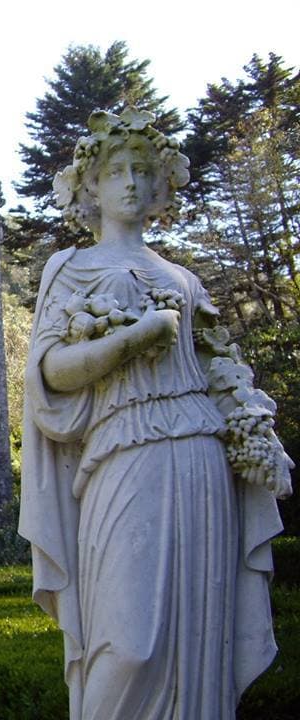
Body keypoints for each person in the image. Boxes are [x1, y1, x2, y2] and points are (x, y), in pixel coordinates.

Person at [18, 107, 291, 720]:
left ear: (163, 185)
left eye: (145, 171)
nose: (133, 183)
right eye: (119, 171)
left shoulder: (183, 279)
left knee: (203, 636)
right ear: (92, 184)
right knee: (131, 644)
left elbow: (223, 372)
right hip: (123, 450)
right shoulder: (71, 268)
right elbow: (50, 374)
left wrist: (258, 436)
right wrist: (135, 338)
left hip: (202, 454)